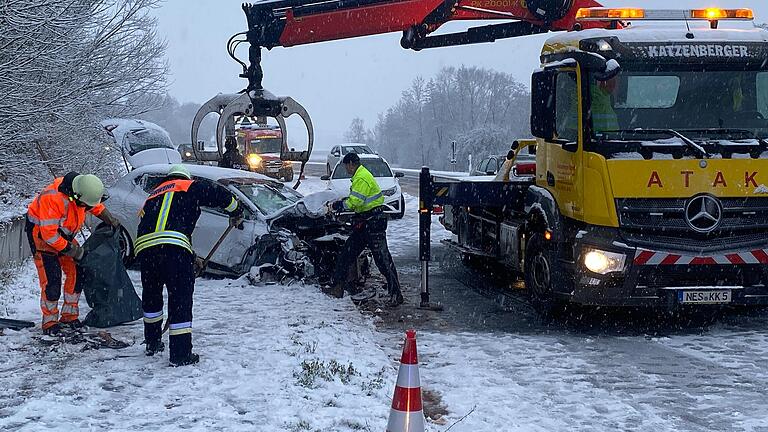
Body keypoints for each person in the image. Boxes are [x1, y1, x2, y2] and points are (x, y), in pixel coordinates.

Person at [136, 164, 243, 366]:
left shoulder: (152, 196)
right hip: (174, 252)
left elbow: (163, 230)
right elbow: (218, 193)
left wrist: (191, 256)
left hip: (147, 252)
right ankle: (180, 354)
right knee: (180, 300)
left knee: (152, 298)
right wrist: (236, 209)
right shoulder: (188, 186)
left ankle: (152, 342)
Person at [26, 172, 121, 335]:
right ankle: (50, 322)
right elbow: (49, 235)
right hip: (41, 237)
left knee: (77, 272)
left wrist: (110, 219)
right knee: (51, 280)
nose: (85, 207)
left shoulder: (81, 191)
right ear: (75, 196)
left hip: (63, 234)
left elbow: (94, 205)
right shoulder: (53, 199)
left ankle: (69, 316)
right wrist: (74, 251)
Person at [326, 153, 403, 307]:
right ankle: (338, 287)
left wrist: (338, 205)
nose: (346, 169)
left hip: (373, 224)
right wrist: (343, 202)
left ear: (351, 164)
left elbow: (355, 201)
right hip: (366, 222)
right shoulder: (359, 176)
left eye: (346, 166)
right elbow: (358, 201)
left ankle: (396, 294)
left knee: (382, 260)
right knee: (347, 253)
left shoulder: (361, 177)